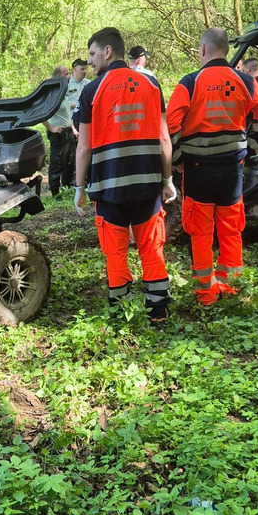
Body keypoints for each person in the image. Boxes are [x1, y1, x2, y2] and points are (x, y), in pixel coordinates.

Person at [167, 28, 258, 305]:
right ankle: (229, 287)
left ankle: (206, 293)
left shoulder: (190, 82)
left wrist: (179, 158)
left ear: (203, 50)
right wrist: (253, 147)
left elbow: (169, 124)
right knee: (231, 229)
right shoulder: (245, 81)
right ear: (227, 50)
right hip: (232, 170)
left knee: (200, 231)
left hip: (197, 170)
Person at [74, 27, 176, 323]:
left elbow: (84, 147)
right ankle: (158, 310)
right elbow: (164, 139)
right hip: (147, 184)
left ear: (108, 51)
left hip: (109, 187)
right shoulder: (151, 83)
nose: (90, 61)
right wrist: (167, 180)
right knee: (151, 246)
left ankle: (121, 312)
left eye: (93, 54)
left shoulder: (92, 90)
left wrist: (79, 187)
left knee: (115, 251)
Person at [43, 65, 74, 197]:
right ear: (58, 77)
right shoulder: (52, 94)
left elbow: (66, 114)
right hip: (58, 133)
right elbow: (42, 113)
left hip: (68, 131)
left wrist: (73, 128)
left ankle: (66, 187)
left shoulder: (63, 92)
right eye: (66, 74)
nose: (69, 76)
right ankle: (55, 191)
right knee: (57, 162)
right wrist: (51, 128)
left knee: (68, 161)